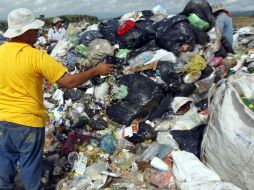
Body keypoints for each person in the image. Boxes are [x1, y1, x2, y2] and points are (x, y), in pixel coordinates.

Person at [0, 8, 114, 190]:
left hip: (3, 121)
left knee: (5, 160)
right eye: (34, 29)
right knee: (30, 166)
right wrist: (96, 70)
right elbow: (70, 81)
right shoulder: (36, 56)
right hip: (28, 121)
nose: (37, 32)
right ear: (26, 32)